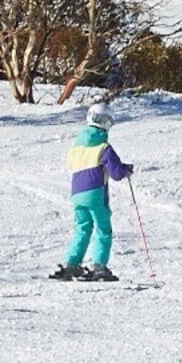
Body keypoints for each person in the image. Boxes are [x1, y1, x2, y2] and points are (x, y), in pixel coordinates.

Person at [51, 105, 135, 281]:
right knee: (103, 229)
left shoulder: (77, 146)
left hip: (77, 192)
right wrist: (126, 169)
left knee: (82, 228)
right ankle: (99, 266)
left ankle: (72, 264)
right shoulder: (104, 147)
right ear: (106, 123)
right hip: (95, 192)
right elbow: (117, 173)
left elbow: (71, 164)